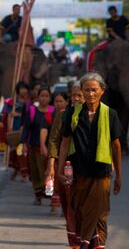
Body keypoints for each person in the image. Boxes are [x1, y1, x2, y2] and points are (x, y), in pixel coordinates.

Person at [58, 73, 123, 249]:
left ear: (102, 91)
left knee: (99, 214)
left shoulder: (110, 114)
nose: (90, 94)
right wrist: (59, 170)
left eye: (94, 90)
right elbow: (64, 143)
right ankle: (87, 242)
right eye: (86, 90)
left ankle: (92, 245)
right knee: (79, 211)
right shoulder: (72, 114)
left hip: (101, 174)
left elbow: (116, 146)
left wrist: (119, 176)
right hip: (78, 173)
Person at [45, 83, 84, 248]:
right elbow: (54, 140)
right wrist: (51, 166)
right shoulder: (62, 115)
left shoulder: (95, 115)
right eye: (74, 95)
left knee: (84, 205)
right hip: (66, 165)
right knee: (68, 204)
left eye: (80, 96)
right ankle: (75, 240)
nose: (77, 99)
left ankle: (85, 238)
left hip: (87, 167)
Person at [20, 86, 55, 205]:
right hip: (34, 146)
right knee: (36, 172)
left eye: (47, 96)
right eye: (42, 96)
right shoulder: (32, 110)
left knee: (48, 171)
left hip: (50, 148)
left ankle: (51, 196)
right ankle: (38, 195)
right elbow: (26, 128)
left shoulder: (53, 111)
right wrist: (24, 143)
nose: (44, 98)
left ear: (50, 98)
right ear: (38, 97)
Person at [3, 81, 31, 181]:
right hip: (15, 128)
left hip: (25, 128)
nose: (24, 90)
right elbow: (6, 114)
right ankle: (18, 171)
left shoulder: (29, 102)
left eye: (25, 88)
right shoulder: (12, 102)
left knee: (21, 150)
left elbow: (29, 115)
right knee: (14, 151)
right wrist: (11, 117)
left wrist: (19, 115)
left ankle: (23, 173)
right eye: (22, 88)